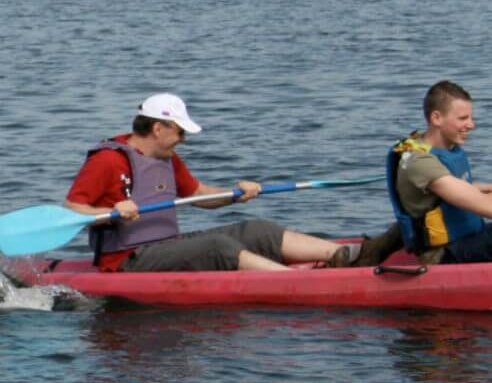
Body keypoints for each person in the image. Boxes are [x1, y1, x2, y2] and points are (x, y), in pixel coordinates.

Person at [64, 93, 392, 273]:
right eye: (179, 131)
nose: (182, 139)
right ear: (158, 128)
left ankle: (347, 256)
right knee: (219, 248)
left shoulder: (166, 157)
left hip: (163, 246)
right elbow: (72, 208)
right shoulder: (108, 160)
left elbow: (198, 195)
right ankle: (291, 282)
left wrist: (236, 194)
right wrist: (112, 212)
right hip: (126, 260)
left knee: (256, 230)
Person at [389, 79, 492, 265]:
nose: (472, 125)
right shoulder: (420, 162)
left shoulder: (446, 150)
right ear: (436, 118)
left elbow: (466, 192)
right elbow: (486, 207)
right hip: (442, 255)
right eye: (463, 118)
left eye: (470, 118)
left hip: (466, 239)